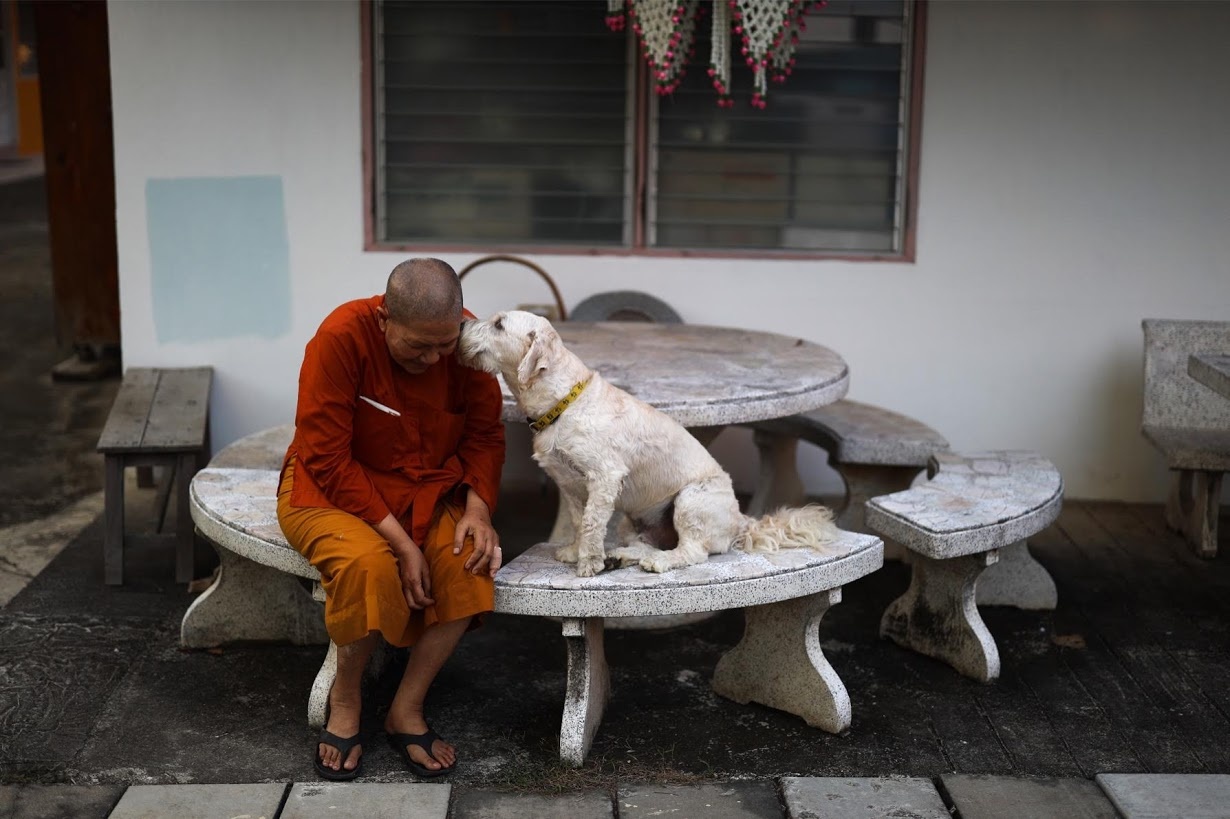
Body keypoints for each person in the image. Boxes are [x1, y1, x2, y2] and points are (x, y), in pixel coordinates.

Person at [277, 258, 505, 781]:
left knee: (469, 563)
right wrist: (403, 545)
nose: (433, 358)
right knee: (368, 566)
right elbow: (327, 458)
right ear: (384, 319)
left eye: (443, 346)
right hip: (327, 487)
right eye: (418, 346)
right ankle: (348, 699)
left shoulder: (464, 344)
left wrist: (477, 508)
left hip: (425, 487)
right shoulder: (340, 338)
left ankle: (406, 707)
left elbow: (486, 436)